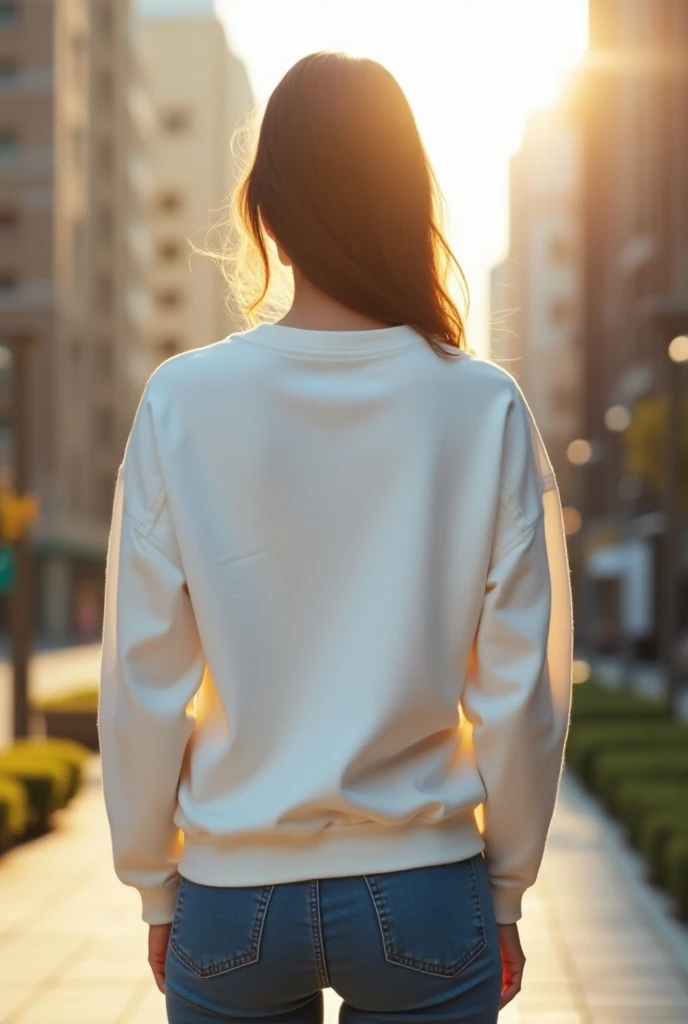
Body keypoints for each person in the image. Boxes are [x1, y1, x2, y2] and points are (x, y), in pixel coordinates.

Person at [99, 51, 573, 1024]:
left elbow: (142, 673)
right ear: (409, 202)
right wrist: (509, 887)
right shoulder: (481, 405)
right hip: (425, 886)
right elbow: (523, 685)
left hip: (231, 895)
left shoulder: (181, 402)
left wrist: (153, 880)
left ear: (263, 209)